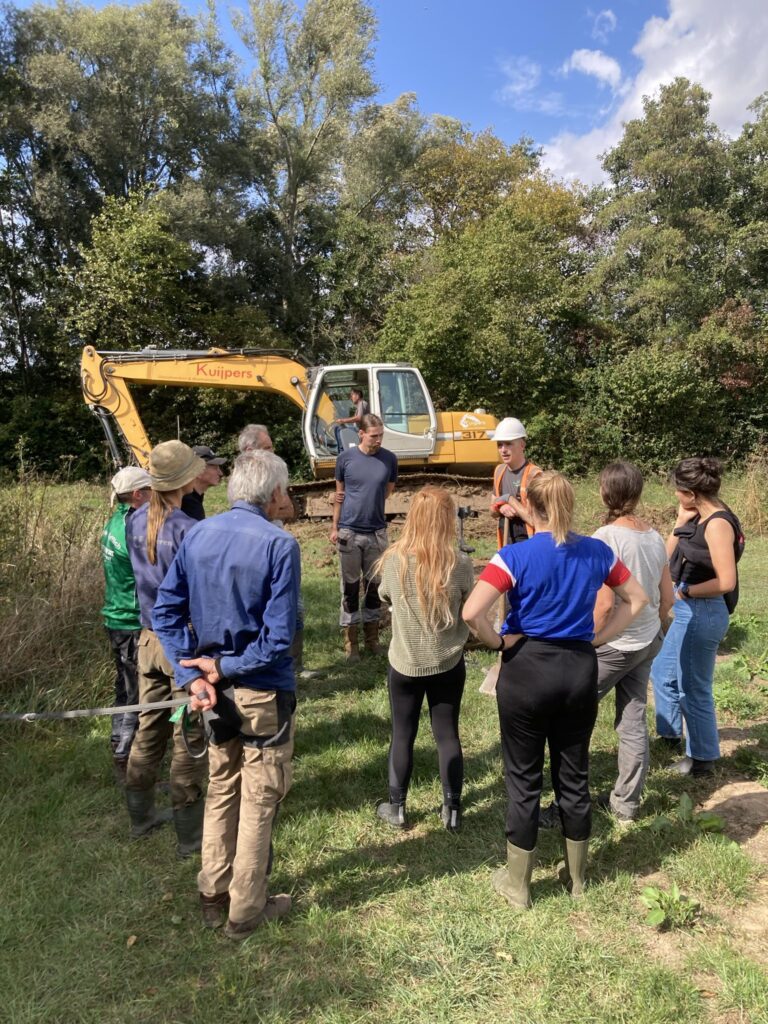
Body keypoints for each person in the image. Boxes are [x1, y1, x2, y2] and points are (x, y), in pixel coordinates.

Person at [462, 471, 648, 909]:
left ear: (530, 503)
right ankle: (577, 877)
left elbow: (473, 612)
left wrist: (497, 642)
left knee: (523, 779)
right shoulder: (598, 551)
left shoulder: (513, 555)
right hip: (578, 670)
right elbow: (637, 600)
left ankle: (518, 885)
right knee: (574, 774)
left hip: (527, 670)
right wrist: (598, 639)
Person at [152, 450, 299, 941]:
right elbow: (278, 639)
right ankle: (245, 911)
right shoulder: (280, 545)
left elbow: (164, 615)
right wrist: (209, 671)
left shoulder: (198, 534)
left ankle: (212, 893)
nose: (287, 499)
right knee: (258, 798)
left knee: (222, 788)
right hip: (258, 692)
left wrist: (193, 675)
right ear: (273, 493)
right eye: (285, 491)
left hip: (215, 694)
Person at [124, 440, 208, 855]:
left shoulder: (133, 520)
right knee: (188, 737)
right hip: (180, 645)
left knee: (148, 727)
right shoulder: (189, 530)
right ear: (187, 480)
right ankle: (190, 836)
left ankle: (140, 818)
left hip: (146, 640)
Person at [375, 487, 475, 831]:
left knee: (403, 734)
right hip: (447, 662)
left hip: (404, 662)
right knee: (447, 735)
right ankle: (452, 811)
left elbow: (384, 595)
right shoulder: (459, 563)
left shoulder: (393, 560)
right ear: (447, 520)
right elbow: (471, 602)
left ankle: (397, 807)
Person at [650, 457, 744, 777]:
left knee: (693, 687)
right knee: (662, 672)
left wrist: (686, 591)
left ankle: (702, 759)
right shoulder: (696, 516)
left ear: (691, 492)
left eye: (678, 490)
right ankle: (670, 737)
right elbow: (664, 557)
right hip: (690, 610)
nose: (675, 494)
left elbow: (726, 580)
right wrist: (680, 519)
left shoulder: (717, 523)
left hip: (704, 611)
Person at [590, 461, 673, 822]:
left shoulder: (605, 538)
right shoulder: (655, 537)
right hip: (646, 640)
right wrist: (657, 633)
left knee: (571, 716)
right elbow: (667, 598)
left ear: (606, 493)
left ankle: (565, 802)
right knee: (633, 720)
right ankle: (626, 806)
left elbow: (605, 603)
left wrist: (588, 642)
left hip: (615, 644)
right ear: (637, 494)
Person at [330, 413, 397, 661]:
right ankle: (351, 644)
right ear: (361, 434)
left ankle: (372, 640)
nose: (378, 440)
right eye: (373, 436)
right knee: (350, 588)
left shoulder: (389, 459)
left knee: (373, 588)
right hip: (348, 532)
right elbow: (339, 495)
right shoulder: (345, 459)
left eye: (381, 435)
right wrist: (334, 527)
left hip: (376, 534)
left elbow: (387, 491)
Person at [100, 465, 152, 780]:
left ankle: (118, 744)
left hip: (115, 616)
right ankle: (126, 758)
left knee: (124, 687)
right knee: (136, 693)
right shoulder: (130, 529)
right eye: (150, 491)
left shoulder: (113, 521)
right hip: (130, 619)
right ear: (137, 495)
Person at [490, 417, 542, 549]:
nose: (503, 450)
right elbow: (492, 510)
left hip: (528, 541)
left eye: (508, 444)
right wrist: (501, 507)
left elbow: (535, 520)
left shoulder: (534, 475)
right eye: (500, 445)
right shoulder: (499, 471)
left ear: (522, 445)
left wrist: (509, 500)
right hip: (506, 539)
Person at [180, 445, 226, 521]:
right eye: (215, 468)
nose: (220, 473)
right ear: (198, 471)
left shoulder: (194, 497)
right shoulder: (188, 505)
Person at [332, 387, 370, 451]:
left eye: (352, 395)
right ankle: (340, 448)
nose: (351, 398)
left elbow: (359, 418)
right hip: (357, 429)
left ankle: (342, 451)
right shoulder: (360, 405)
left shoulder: (362, 403)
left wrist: (343, 420)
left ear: (357, 395)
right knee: (339, 427)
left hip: (360, 430)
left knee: (339, 429)